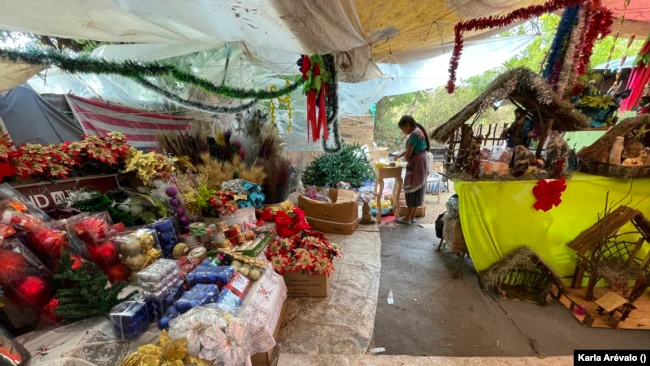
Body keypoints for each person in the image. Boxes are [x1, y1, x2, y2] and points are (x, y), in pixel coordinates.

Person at [395, 115, 430, 225]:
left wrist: (403, 159)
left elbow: (408, 154)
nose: (403, 131)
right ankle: (412, 216)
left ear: (408, 124)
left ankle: (407, 219)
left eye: (403, 128)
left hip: (417, 163)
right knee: (417, 190)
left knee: (411, 190)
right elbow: (410, 149)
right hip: (422, 161)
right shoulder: (418, 131)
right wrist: (400, 154)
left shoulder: (414, 135)